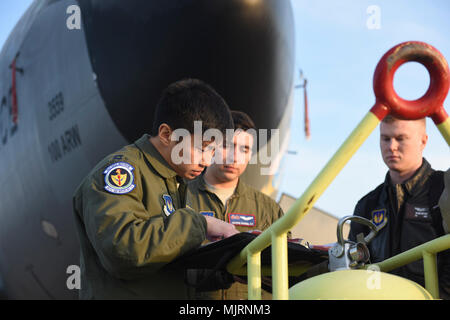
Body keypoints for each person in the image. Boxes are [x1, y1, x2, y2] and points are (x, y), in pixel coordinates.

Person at [72, 78, 240, 299]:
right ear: (166, 134)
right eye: (201, 148)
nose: (207, 161)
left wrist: (230, 265)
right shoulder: (121, 172)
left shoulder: (175, 181)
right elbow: (123, 251)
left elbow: (170, 269)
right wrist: (201, 224)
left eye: (213, 152)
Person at [186, 110, 286, 300]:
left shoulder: (269, 210)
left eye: (244, 149)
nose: (234, 157)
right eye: (226, 146)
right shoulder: (180, 197)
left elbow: (284, 272)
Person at [348, 115, 450, 298]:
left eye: (400, 138)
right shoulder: (367, 205)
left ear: (423, 141)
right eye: (385, 138)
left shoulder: (443, 191)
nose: (391, 147)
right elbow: (353, 268)